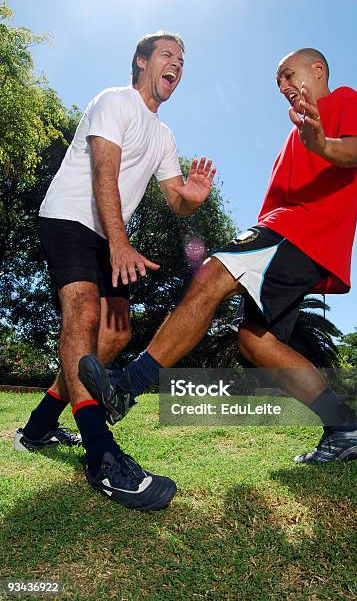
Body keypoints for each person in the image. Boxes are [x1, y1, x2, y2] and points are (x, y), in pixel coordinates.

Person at [79, 47, 357, 465]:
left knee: (213, 272)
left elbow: (355, 153)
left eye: (289, 75)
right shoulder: (294, 137)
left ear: (318, 70)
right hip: (294, 240)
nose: (283, 86)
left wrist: (321, 144)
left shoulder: (341, 100)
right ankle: (347, 428)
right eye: (278, 83)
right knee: (256, 342)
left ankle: (130, 384)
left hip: (299, 231)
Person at [14, 31, 216, 511]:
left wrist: (191, 196)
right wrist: (121, 244)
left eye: (183, 61)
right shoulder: (115, 101)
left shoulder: (164, 135)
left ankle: (38, 428)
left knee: (113, 336)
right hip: (69, 217)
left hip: (107, 233)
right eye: (168, 55)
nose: (177, 66)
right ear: (142, 61)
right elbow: (104, 171)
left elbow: (174, 201)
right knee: (82, 315)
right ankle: (102, 456)